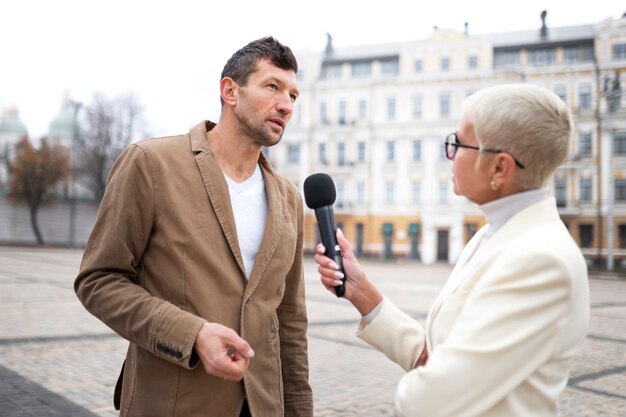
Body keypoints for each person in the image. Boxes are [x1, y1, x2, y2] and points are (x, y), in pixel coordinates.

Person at [314, 84, 590, 417]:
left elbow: (433, 399)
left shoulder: (540, 260)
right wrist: (361, 292)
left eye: (458, 143)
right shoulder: (493, 233)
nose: (450, 153)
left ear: (499, 168)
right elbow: (438, 355)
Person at [75, 36, 313, 417]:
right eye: (272, 87)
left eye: (293, 96)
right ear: (230, 91)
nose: (286, 105)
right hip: (173, 404)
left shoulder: (288, 198)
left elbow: (290, 322)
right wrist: (193, 335)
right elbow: (98, 280)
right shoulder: (151, 165)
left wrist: (300, 411)